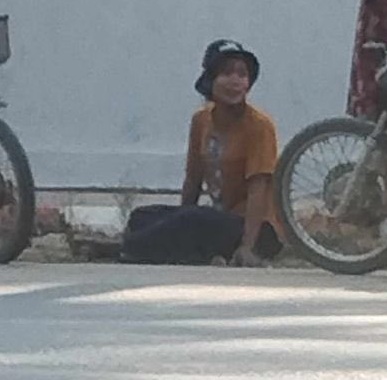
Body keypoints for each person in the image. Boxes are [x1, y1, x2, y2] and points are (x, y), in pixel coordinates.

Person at [120, 40, 282, 267]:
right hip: (220, 219)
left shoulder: (259, 125)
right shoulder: (201, 120)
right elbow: (193, 178)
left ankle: (127, 249)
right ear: (210, 79)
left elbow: (259, 190)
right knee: (143, 216)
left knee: (192, 219)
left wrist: (247, 247)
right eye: (226, 73)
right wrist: (178, 218)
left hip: (256, 228)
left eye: (242, 75)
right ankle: (185, 251)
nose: (235, 81)